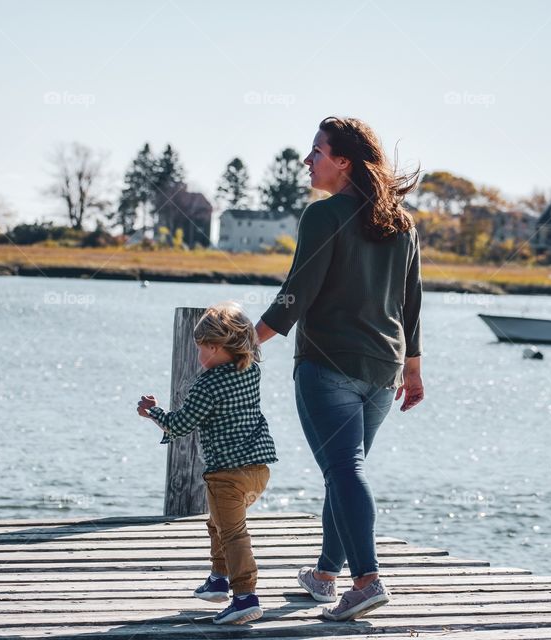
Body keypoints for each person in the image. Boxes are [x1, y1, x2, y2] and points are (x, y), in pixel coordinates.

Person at [255, 116, 425, 621]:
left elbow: (296, 292)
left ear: (343, 160)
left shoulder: (323, 215)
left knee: (343, 471)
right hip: (382, 371)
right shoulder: (402, 222)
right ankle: (326, 574)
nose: (307, 161)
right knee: (345, 473)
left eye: (316, 151)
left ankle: (368, 579)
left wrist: (248, 340)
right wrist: (412, 370)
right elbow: (410, 303)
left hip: (326, 364)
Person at [137, 303, 278, 625]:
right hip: (258, 470)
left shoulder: (207, 384)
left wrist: (153, 412)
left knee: (233, 533)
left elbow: (180, 425)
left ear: (214, 347)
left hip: (225, 474)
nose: (199, 355)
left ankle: (245, 596)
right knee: (219, 524)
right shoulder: (251, 370)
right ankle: (217, 580)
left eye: (200, 348)